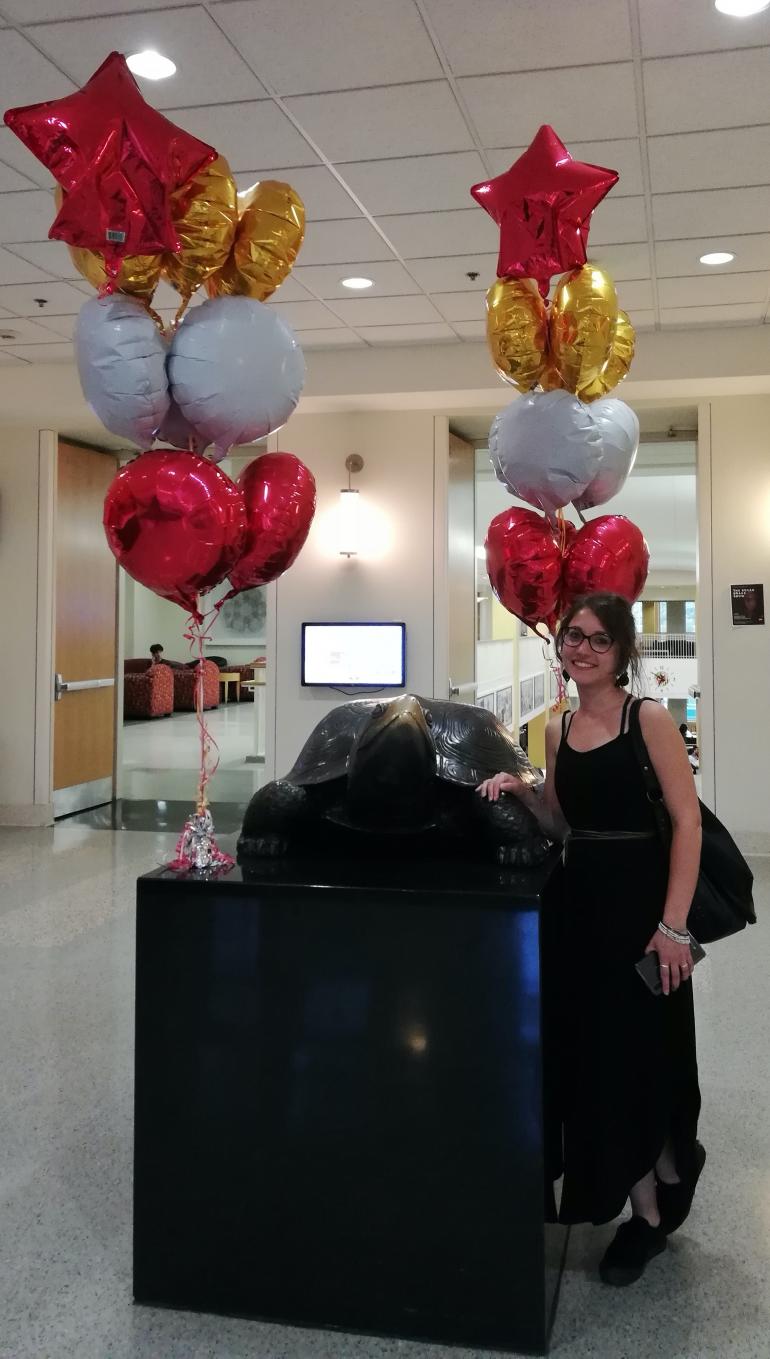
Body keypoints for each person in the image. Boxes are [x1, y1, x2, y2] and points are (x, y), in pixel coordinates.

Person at [477, 592, 704, 1287]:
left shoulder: (650, 719)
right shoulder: (559, 726)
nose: (581, 649)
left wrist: (672, 926)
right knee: (602, 1062)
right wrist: (521, 789)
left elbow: (687, 824)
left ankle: (661, 1180)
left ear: (622, 651)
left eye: (598, 640)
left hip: (643, 912)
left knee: (640, 1055)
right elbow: (562, 827)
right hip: (584, 912)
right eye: (572, 636)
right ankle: (648, 1200)